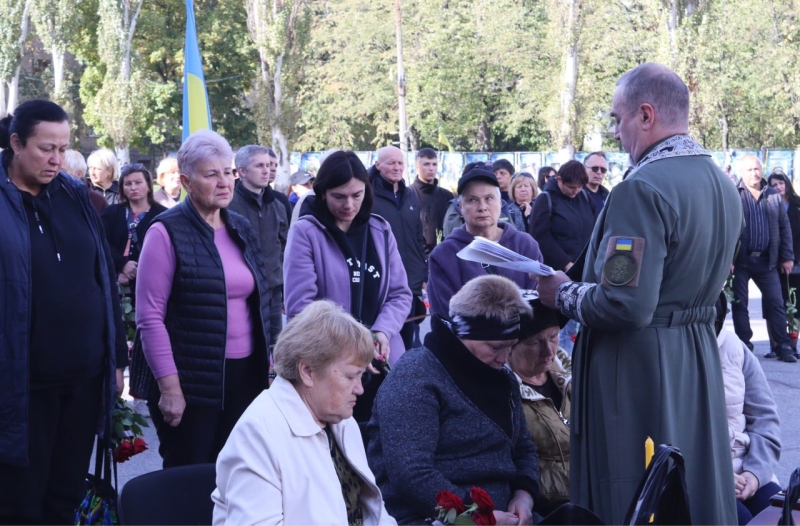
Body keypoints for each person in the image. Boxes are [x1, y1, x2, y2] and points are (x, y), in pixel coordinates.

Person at [537, 63, 741, 524]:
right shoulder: (722, 184)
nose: (616, 131)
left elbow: (624, 304)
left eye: (618, 118)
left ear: (645, 115)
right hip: (695, 357)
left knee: (637, 491)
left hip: (637, 370)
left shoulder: (641, 188)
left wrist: (562, 294)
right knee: (693, 486)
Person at [0, 99, 127, 523]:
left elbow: (103, 275)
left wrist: (116, 359)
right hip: (22, 385)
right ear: (16, 143)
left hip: (85, 379)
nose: (56, 159)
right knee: (19, 504)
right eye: (45, 148)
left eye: (63, 148)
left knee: (65, 497)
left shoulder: (75, 195)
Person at [135, 129, 273, 468]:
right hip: (190, 381)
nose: (224, 182)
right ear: (185, 181)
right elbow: (149, 318)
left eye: (228, 171)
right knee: (191, 474)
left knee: (239, 473)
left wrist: (271, 359)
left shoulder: (240, 226)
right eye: (211, 174)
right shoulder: (165, 232)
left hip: (245, 375)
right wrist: (170, 389)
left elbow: (264, 298)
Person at [367, 275, 540, 525]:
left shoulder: (502, 378)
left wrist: (525, 495)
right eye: (495, 347)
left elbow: (524, 449)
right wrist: (478, 517)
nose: (504, 358)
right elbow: (412, 475)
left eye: (510, 346)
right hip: (428, 518)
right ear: (464, 335)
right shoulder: (416, 376)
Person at [212, 300, 396, 525]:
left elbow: (374, 514)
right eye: (350, 376)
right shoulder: (257, 434)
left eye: (361, 376)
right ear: (308, 372)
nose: (359, 389)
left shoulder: (340, 419)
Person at [284, 150, 412, 424]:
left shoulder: (380, 230)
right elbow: (300, 308)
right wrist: (353, 346)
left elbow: (400, 294)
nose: (349, 205)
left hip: (383, 359)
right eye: (339, 197)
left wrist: (381, 331)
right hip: (330, 365)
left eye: (357, 195)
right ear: (322, 193)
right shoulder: (306, 232)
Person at [428, 164, 542, 319]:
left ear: (500, 203)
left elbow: (538, 304)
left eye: (489, 198)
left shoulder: (525, 245)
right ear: (460, 207)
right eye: (472, 200)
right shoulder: (444, 254)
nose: (482, 207)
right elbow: (444, 315)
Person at [713, 297, 782, 525]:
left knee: (781, 515)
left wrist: (755, 474)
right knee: (740, 518)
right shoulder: (673, 353)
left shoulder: (736, 349)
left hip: (746, 470)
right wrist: (716, 475)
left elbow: (765, 419)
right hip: (704, 476)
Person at [507, 300, 571, 517]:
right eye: (534, 342)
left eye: (553, 337)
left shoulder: (571, 376)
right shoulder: (504, 394)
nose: (548, 351)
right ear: (509, 346)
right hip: (544, 507)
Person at [731, 154, 795, 362]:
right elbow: (725, 228)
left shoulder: (773, 195)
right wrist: (727, 259)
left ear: (761, 169)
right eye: (749, 170)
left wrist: (787, 257)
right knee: (740, 304)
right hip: (740, 261)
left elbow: (784, 227)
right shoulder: (734, 195)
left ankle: (783, 346)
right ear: (742, 172)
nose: (754, 173)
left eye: (757, 169)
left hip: (767, 261)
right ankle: (745, 345)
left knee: (776, 303)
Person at [530, 160, 597, 354]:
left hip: (584, 272)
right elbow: (541, 237)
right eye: (571, 187)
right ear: (559, 180)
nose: (576, 191)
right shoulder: (546, 199)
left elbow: (595, 228)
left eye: (579, 187)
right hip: (558, 273)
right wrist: (566, 263)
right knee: (562, 331)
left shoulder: (584, 197)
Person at [228, 145, 289, 349]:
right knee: (245, 348)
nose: (266, 170)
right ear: (242, 171)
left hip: (273, 290)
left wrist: (284, 286)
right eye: (259, 166)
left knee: (274, 349)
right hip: (240, 291)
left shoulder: (278, 204)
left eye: (268, 165)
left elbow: (284, 248)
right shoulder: (227, 205)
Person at [367, 146, 427, 351]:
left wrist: (422, 274)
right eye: (391, 163)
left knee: (409, 346)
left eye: (400, 163)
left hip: (410, 283)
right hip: (381, 283)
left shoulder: (410, 196)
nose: (397, 167)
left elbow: (418, 238)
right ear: (378, 165)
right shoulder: (368, 196)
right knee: (383, 345)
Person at [101, 165, 167, 285]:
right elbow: (102, 242)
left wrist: (135, 269)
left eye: (138, 182)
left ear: (148, 185)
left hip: (150, 281)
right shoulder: (111, 213)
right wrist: (122, 264)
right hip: (114, 282)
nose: (133, 187)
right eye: (128, 184)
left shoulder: (163, 215)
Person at [767, 169, 800, 358]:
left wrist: (792, 258)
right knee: (772, 304)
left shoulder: (797, 205)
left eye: (781, 183)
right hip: (771, 263)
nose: (779, 187)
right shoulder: (767, 203)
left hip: (795, 263)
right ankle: (775, 346)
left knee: (794, 304)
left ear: (787, 184)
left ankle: (793, 345)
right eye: (774, 185)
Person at [409, 148, 454, 257]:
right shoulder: (407, 195)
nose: (431, 168)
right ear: (417, 166)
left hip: (444, 254)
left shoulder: (447, 195)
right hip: (415, 256)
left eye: (434, 164)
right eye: (426, 164)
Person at [63, 149, 108, 214]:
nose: (57, 174)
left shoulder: (98, 200)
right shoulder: (51, 195)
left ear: (78, 174)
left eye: (62, 171)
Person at [493, 158, 526, 231]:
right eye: (495, 174)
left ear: (511, 175)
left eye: (502, 173)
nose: (498, 176)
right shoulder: (491, 197)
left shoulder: (518, 197)